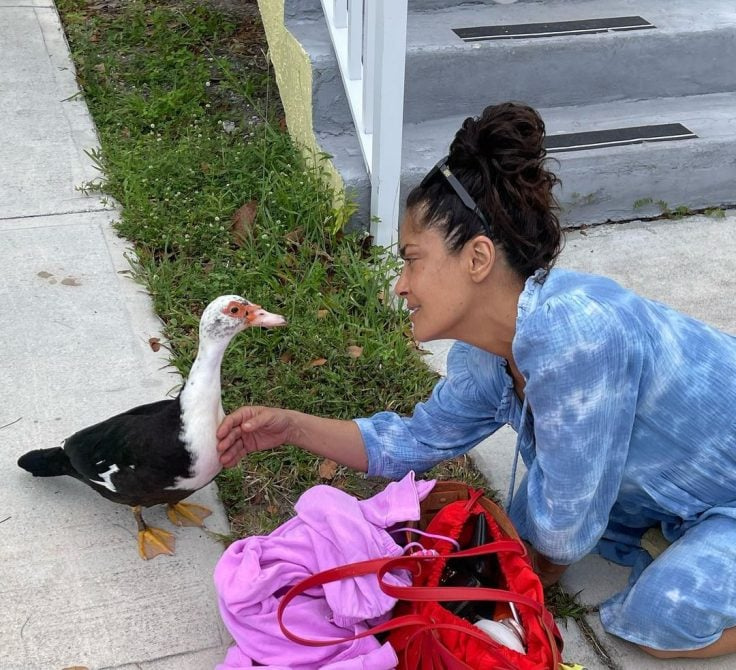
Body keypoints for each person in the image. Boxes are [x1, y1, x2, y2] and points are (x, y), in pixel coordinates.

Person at [217, 102, 736, 659]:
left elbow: (565, 530)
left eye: (412, 260)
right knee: (520, 522)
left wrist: (517, 583)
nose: (400, 284)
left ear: (478, 258)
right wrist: (290, 426)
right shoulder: (489, 353)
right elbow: (411, 442)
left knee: (654, 622)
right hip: (691, 481)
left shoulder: (578, 335)